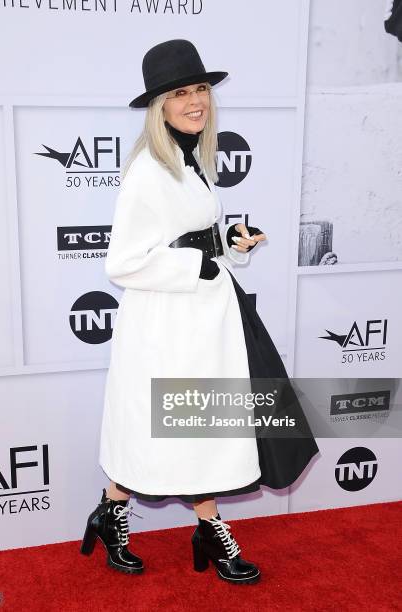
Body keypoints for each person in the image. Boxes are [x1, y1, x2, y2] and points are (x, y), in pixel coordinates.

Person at [80, 39, 319, 584]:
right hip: (169, 326)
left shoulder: (190, 159)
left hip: (205, 320)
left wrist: (231, 244)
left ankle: (174, 523)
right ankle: (138, 519)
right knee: (175, 432)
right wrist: (196, 268)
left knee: (200, 430)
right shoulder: (148, 170)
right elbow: (122, 263)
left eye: (202, 89)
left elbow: (191, 236)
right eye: (181, 93)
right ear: (158, 105)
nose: (196, 102)